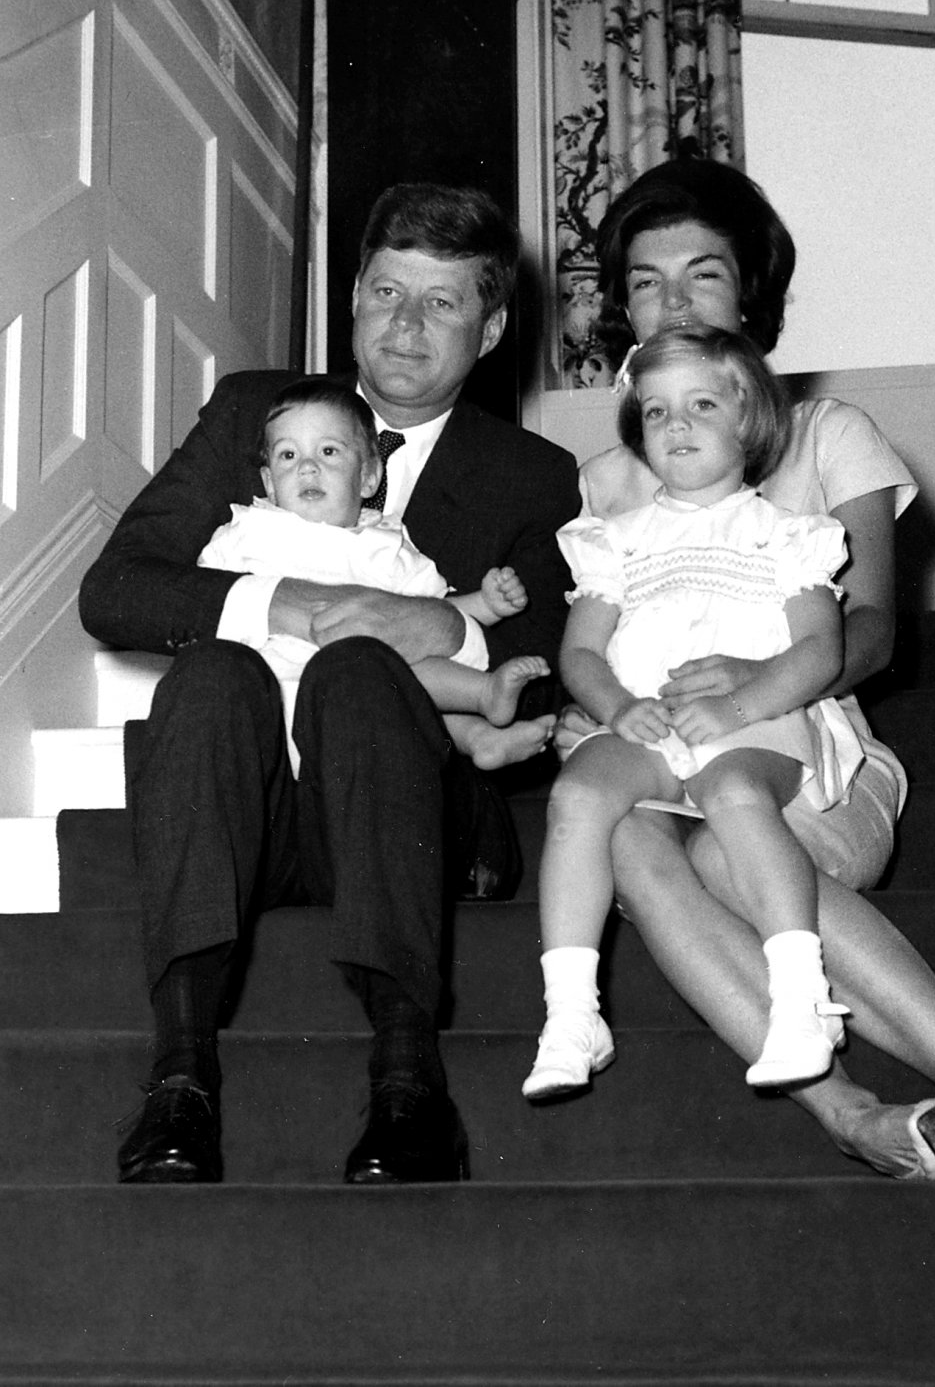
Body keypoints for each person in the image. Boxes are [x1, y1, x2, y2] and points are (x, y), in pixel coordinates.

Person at [556, 157, 935, 1186]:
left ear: (751, 297)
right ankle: (854, 1114)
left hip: (810, 754)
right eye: (646, 281)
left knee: (733, 849)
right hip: (666, 764)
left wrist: (757, 676)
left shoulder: (829, 435)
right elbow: (597, 648)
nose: (672, 300)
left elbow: (872, 632)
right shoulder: (607, 479)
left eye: (704, 275)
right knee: (627, 832)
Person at [78, 181, 581, 1186]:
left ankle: (408, 1084)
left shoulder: (534, 471)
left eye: (442, 304)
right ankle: (179, 1078)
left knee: (357, 670)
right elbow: (118, 589)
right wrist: (287, 600)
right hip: (247, 806)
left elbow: (544, 659)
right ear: (351, 295)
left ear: (489, 332)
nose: (404, 325)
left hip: (403, 809)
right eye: (388, 292)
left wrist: (441, 623)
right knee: (213, 670)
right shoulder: (253, 415)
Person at [526, 327, 863, 1099]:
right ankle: (573, 1012)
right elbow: (581, 652)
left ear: (750, 420)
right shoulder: (616, 541)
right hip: (650, 722)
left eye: (701, 405)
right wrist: (618, 707)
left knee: (733, 795)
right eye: (655, 412)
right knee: (578, 795)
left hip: (754, 722)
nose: (675, 426)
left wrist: (741, 704)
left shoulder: (787, 536)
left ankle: (799, 997)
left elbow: (819, 651)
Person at [197, 381, 554, 774]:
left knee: (408, 669)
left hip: (364, 712)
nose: (307, 466)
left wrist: (485, 604)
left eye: (328, 451)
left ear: (368, 477)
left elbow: (432, 615)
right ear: (268, 482)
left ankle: (483, 718)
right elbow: (205, 602)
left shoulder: (386, 545)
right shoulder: (247, 531)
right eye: (288, 455)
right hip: (270, 694)